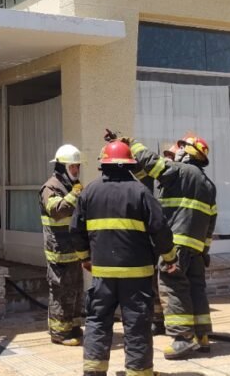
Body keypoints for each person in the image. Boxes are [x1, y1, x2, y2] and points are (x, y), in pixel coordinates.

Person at [71, 139, 177, 376]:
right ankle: (138, 372)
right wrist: (170, 258)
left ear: (104, 165)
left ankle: (94, 372)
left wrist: (85, 259)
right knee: (137, 324)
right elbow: (161, 229)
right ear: (129, 164)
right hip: (137, 276)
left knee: (98, 322)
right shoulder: (141, 192)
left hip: (103, 275)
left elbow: (75, 230)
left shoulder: (90, 191)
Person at [129, 135, 217, 359]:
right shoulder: (208, 184)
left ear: (187, 152)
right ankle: (202, 336)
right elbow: (211, 221)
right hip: (195, 249)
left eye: (180, 146)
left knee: (173, 288)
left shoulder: (178, 171)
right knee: (196, 290)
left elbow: (152, 163)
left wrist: (132, 144)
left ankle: (182, 339)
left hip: (175, 245)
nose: (175, 150)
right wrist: (204, 251)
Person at [40, 144, 88, 346]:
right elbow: (56, 210)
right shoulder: (50, 187)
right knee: (60, 292)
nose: (76, 170)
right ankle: (59, 333)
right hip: (58, 251)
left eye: (77, 166)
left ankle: (74, 326)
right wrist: (75, 195)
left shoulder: (70, 186)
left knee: (76, 290)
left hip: (74, 251)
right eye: (72, 167)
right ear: (62, 167)